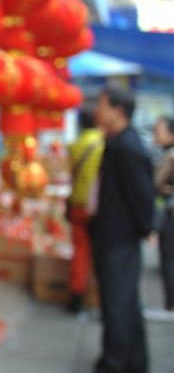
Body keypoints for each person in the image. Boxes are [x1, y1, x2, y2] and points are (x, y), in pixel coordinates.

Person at [90, 86, 155, 373]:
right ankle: (133, 363)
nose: (98, 111)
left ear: (118, 111)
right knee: (124, 305)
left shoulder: (126, 148)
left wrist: (144, 229)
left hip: (119, 238)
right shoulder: (117, 143)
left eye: (102, 105)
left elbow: (143, 197)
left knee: (118, 306)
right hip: (114, 235)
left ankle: (115, 364)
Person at [66, 103, 104, 314]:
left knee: (79, 250)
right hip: (94, 206)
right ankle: (90, 295)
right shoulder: (102, 144)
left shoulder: (76, 145)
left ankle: (76, 294)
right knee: (93, 251)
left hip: (77, 204)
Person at [145, 116, 174, 320]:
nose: (154, 134)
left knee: (169, 258)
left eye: (158, 130)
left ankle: (170, 305)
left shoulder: (170, 156)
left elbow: (155, 182)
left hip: (170, 215)